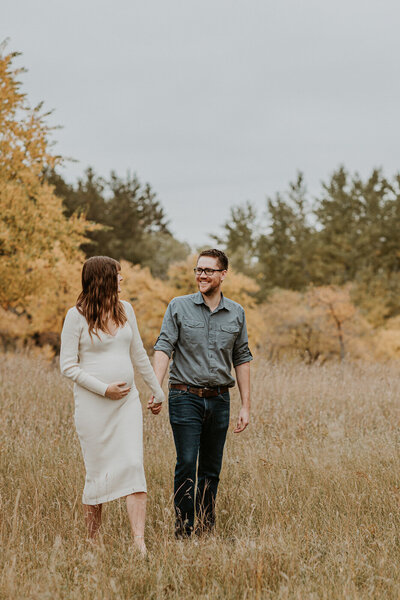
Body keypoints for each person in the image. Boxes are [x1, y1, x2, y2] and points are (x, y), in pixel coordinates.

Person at [60, 256, 164, 555]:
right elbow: (67, 366)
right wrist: (104, 389)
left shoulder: (126, 310)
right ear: (103, 278)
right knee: (98, 473)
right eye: (118, 275)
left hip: (127, 405)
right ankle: (93, 545)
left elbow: (139, 355)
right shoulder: (75, 316)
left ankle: (138, 543)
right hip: (94, 407)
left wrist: (157, 392)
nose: (122, 280)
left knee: (133, 465)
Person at [148, 249, 252, 538]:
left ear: (223, 275)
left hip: (220, 399)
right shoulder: (178, 307)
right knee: (186, 464)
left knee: (211, 469)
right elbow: (164, 347)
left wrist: (246, 406)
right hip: (185, 397)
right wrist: (156, 390)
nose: (201, 275)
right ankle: (183, 532)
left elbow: (241, 357)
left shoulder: (237, 312)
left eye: (208, 270)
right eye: (198, 270)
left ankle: (206, 531)